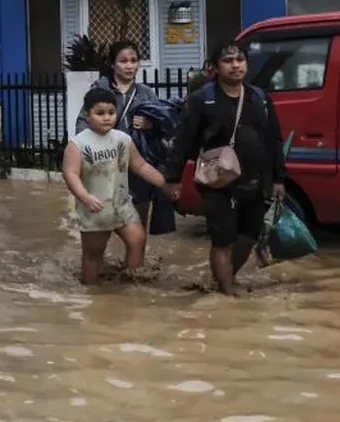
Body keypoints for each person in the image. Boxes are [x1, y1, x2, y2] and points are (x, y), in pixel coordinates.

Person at [164, 42, 286, 295]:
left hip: (255, 181)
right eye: (228, 61)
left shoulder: (260, 98)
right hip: (217, 182)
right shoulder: (203, 100)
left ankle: (222, 280)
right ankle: (228, 292)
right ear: (216, 67)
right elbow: (184, 140)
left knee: (249, 236)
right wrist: (173, 178)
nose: (235, 65)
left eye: (240, 60)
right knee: (223, 238)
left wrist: (278, 179)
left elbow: (274, 140)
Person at [63, 87, 169, 287]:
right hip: (95, 209)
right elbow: (70, 175)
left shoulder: (123, 139)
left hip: (121, 204)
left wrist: (164, 184)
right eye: (100, 113)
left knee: (137, 239)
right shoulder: (78, 144)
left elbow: (141, 166)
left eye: (111, 113)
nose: (107, 118)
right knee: (93, 254)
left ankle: (131, 285)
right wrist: (85, 197)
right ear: (88, 114)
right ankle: (90, 289)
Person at [75, 41, 160, 226]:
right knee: (103, 221)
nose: (129, 66)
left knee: (137, 225)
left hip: (137, 167)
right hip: (106, 164)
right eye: (123, 61)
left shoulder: (146, 94)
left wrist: (149, 125)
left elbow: (163, 128)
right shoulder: (100, 90)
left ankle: (135, 255)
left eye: (134, 60)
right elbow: (83, 122)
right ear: (113, 64)